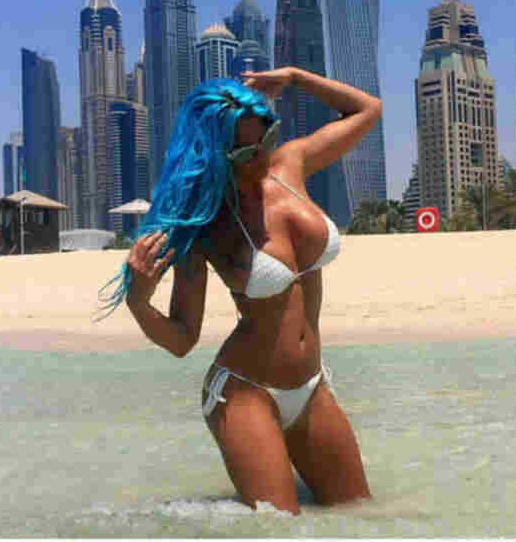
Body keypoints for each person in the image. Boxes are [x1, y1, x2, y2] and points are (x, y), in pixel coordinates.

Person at [114, 67, 381, 515]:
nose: (262, 157)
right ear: (215, 154)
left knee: (358, 514)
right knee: (278, 526)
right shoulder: (205, 227)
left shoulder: (291, 164)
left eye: (268, 138)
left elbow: (367, 109)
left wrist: (294, 77)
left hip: (311, 385)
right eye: (245, 152)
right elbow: (182, 339)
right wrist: (138, 302)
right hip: (245, 392)